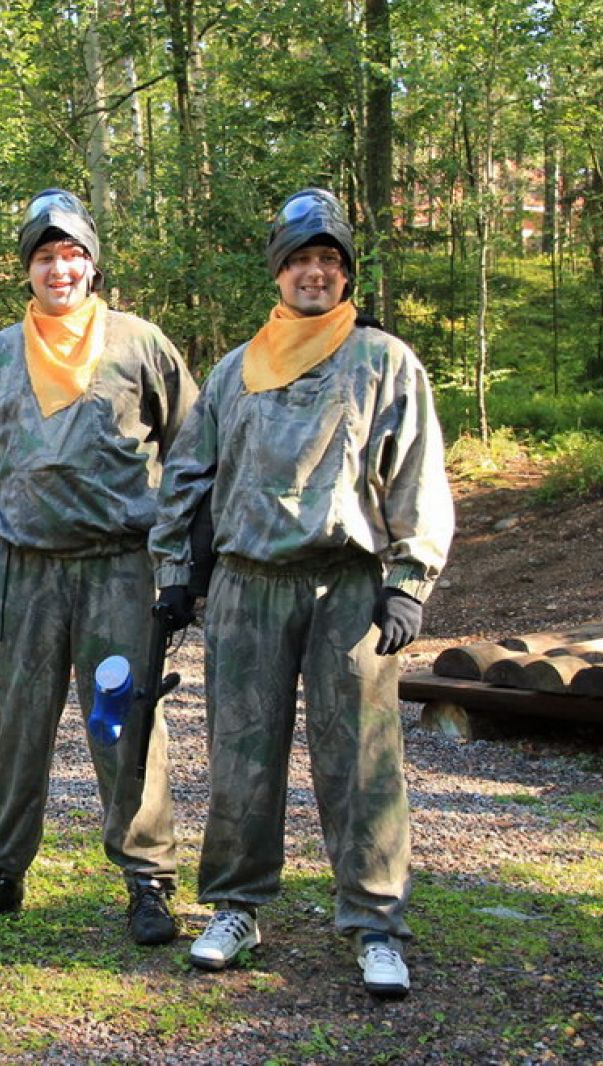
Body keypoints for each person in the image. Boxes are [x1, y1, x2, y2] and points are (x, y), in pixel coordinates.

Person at [149, 188, 454, 998]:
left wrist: (409, 580)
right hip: (247, 585)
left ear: (346, 273)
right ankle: (236, 906)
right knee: (241, 757)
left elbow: (417, 473)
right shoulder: (236, 369)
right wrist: (175, 573)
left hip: (345, 587)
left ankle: (375, 921)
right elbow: (187, 476)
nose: (314, 272)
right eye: (299, 260)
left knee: (361, 760)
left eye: (328, 260)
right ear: (278, 272)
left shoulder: (383, 360)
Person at [0, 188, 197, 945]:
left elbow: (193, 449)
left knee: (124, 723)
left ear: (92, 264)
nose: (60, 269)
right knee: (17, 725)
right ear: (28, 268)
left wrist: (183, 558)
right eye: (46, 256)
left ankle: (148, 878)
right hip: (25, 573)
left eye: (73, 254)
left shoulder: (139, 344)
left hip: (119, 570)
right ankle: (2, 870)